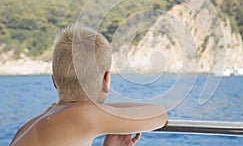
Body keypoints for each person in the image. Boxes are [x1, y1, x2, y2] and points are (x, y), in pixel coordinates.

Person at [10, 24, 167, 146]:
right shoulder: (84, 115)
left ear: (54, 81)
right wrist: (104, 111)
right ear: (106, 80)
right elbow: (159, 115)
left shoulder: (29, 126)